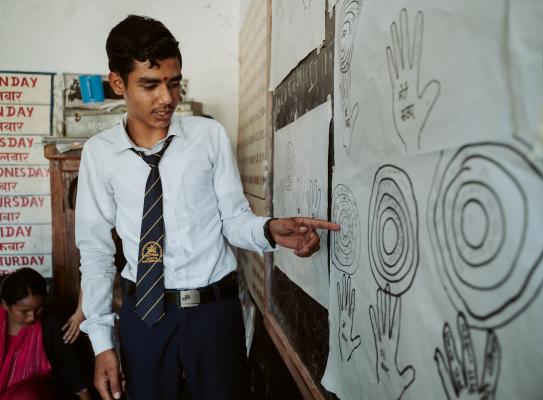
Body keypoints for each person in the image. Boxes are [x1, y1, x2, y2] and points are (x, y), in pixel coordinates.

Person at [75, 14, 340, 400]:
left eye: (173, 82)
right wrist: (101, 343)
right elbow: (97, 252)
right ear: (118, 83)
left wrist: (268, 230)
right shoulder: (99, 155)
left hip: (214, 314)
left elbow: (233, 220)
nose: (166, 98)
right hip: (144, 318)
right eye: (149, 85)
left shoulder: (208, 137)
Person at [0, 268, 90, 400]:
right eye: (24, 311)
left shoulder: (51, 323)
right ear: (5, 305)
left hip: (36, 392)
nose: (32, 316)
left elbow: (71, 367)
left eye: (38, 309)